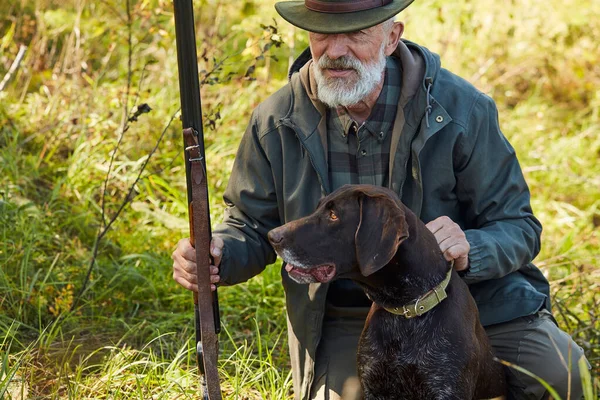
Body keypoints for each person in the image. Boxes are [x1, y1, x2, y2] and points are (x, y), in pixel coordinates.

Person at [172, 1, 590, 399]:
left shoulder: (462, 110)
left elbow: (519, 226)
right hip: (353, 309)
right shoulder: (276, 121)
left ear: (392, 37)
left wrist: (471, 248)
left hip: (479, 299)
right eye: (323, 34)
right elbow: (250, 224)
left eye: (355, 33)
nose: (335, 51)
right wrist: (219, 252)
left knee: (563, 377)